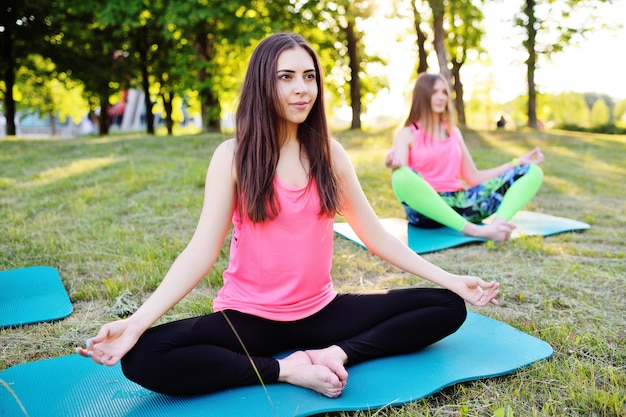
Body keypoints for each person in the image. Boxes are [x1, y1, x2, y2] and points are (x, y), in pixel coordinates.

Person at [76, 33, 500, 399]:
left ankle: (334, 354)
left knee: (447, 306)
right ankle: (286, 370)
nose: (302, 89)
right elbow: (200, 252)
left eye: (309, 76)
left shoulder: (329, 154)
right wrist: (135, 322)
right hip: (249, 320)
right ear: (264, 83)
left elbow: (376, 236)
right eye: (286, 77)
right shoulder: (233, 157)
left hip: (321, 314)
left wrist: (449, 279)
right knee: (144, 357)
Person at [386, 73, 544, 242]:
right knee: (400, 175)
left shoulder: (453, 132)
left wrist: (516, 163)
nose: (441, 97)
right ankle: (477, 231)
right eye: (434, 92)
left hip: (461, 206)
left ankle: (497, 227)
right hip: (426, 212)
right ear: (422, 96)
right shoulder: (407, 133)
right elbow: (402, 171)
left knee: (532, 171)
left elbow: (474, 177)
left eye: (444, 92)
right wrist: (393, 164)